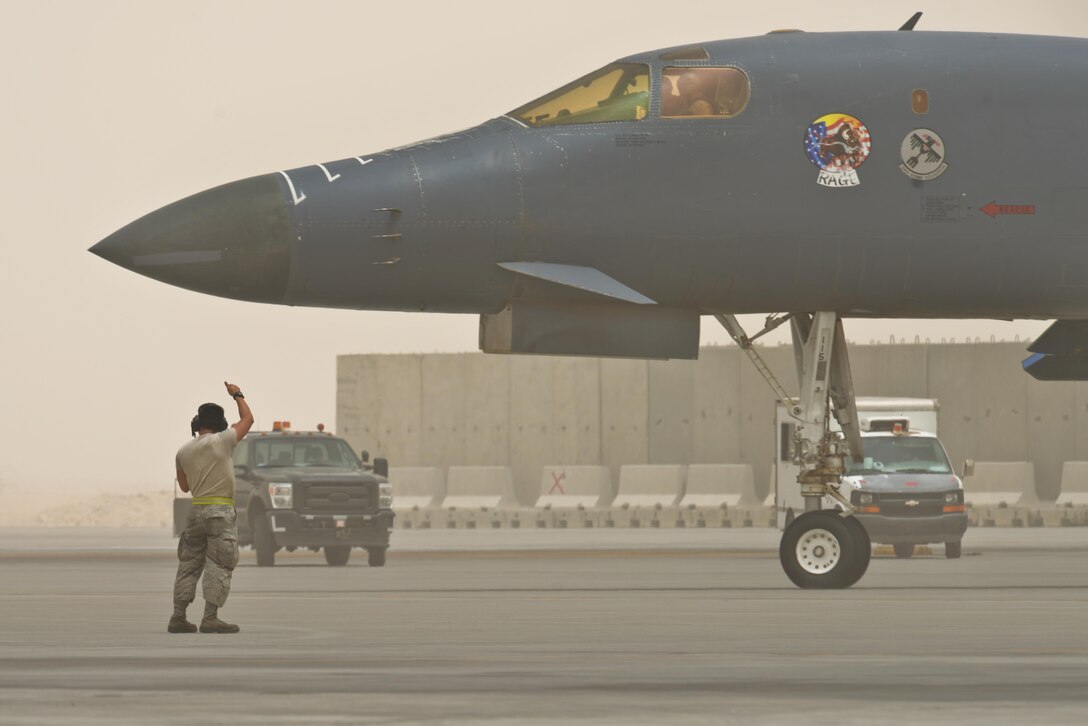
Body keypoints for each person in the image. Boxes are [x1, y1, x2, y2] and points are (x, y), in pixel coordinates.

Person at [168, 382, 254, 634]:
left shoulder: (182, 451)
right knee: (219, 563)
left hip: (195, 513)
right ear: (221, 424)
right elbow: (248, 419)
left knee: (188, 564)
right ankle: (210, 617)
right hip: (221, 511)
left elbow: (184, 487)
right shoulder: (223, 440)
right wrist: (237, 394)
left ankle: (178, 616)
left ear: (197, 424)